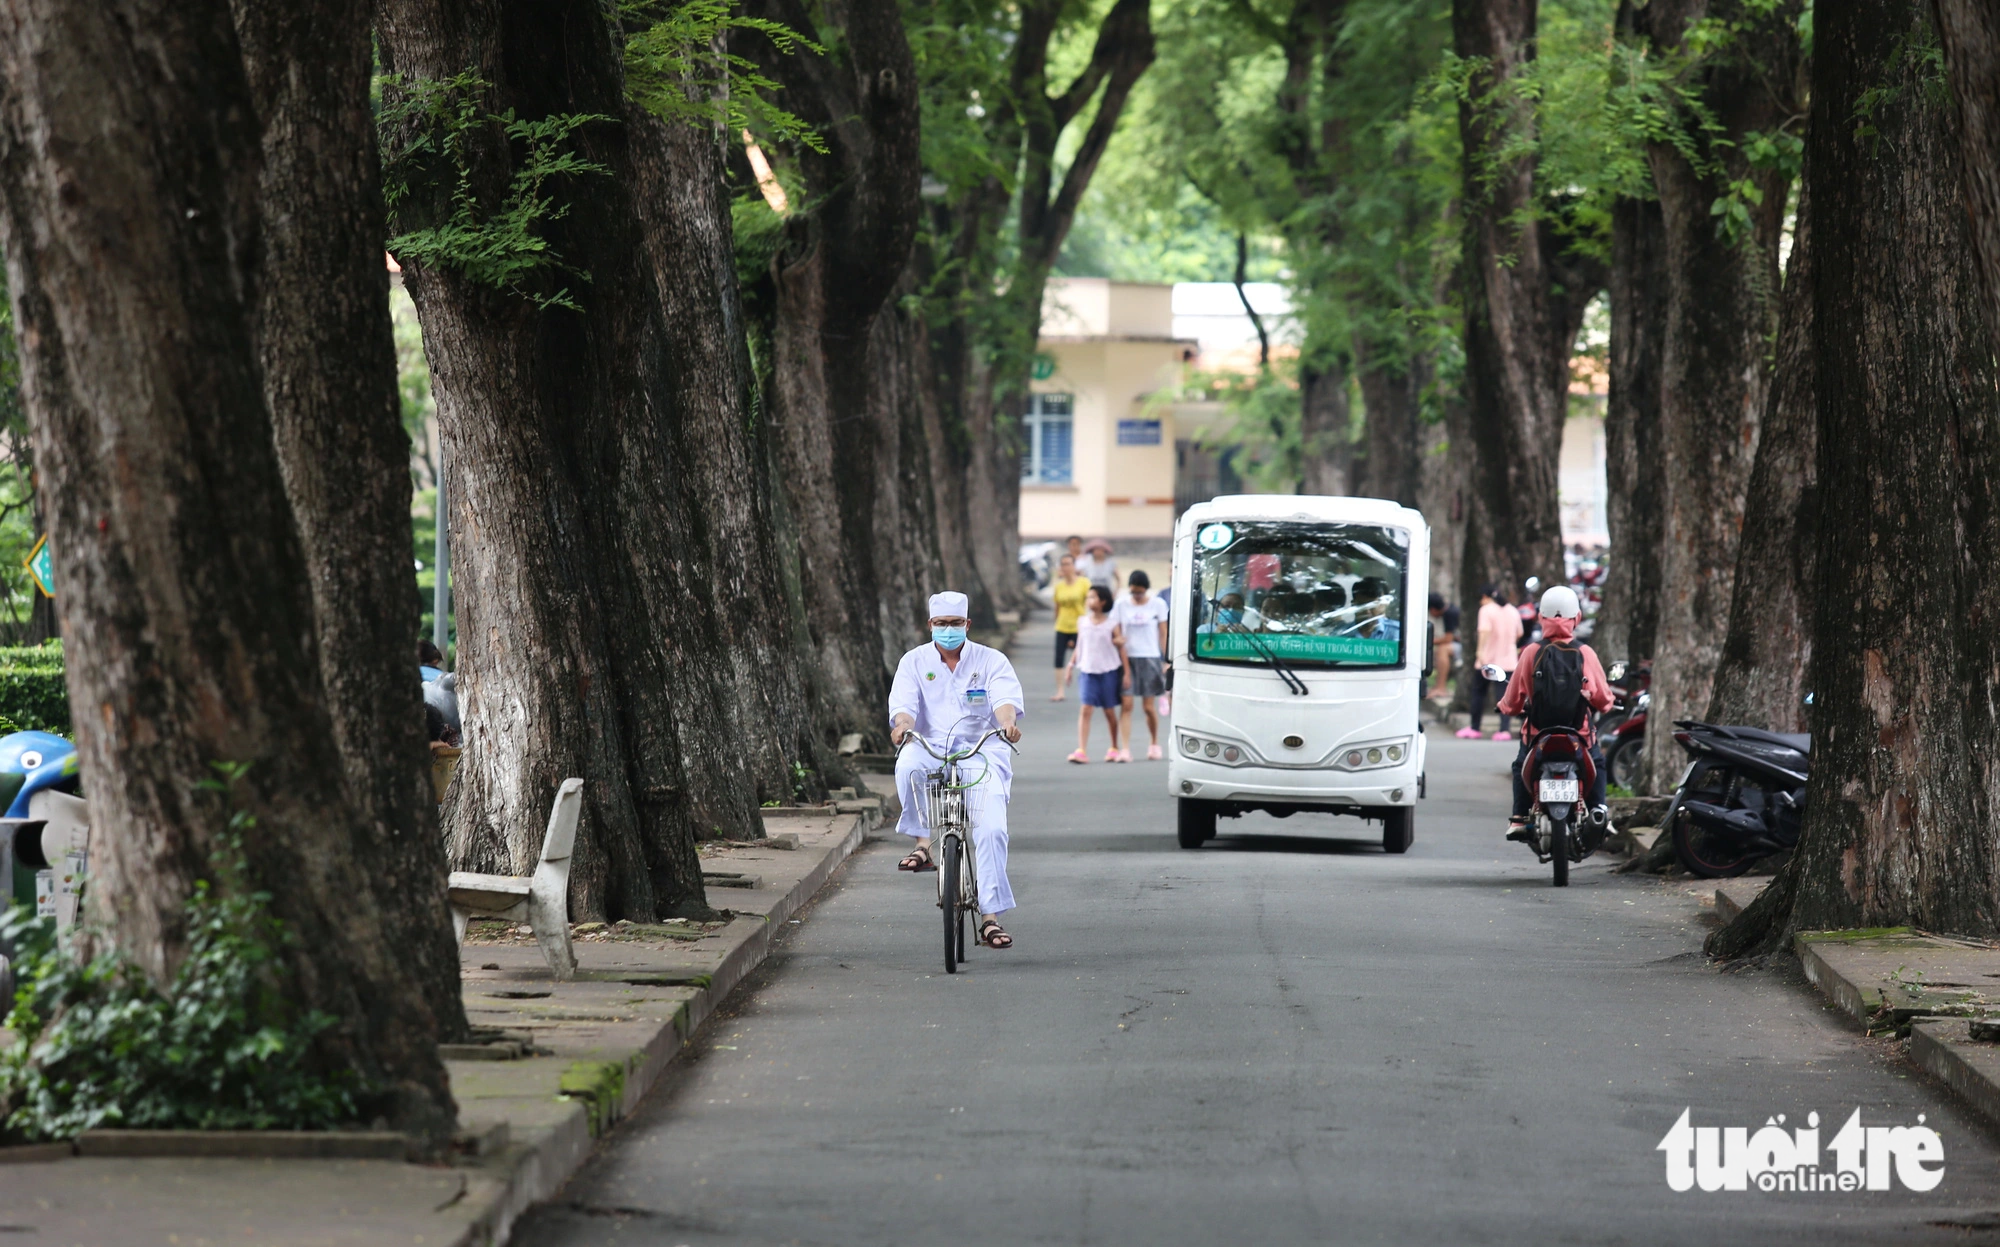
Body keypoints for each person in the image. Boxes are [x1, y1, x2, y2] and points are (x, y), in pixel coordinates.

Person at [889, 591, 1024, 950]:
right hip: (929, 743)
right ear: (930, 625)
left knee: (992, 829)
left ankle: (990, 918)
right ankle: (923, 844)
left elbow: (1004, 701)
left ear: (968, 625)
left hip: (980, 749)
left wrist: (1007, 723)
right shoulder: (913, 661)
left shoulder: (991, 660)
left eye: (955, 623)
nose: (948, 630)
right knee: (907, 768)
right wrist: (902, 726)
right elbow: (904, 706)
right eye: (941, 624)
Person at [1496, 585, 1614, 843]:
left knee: (1520, 766)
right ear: (1578, 618)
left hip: (1538, 735)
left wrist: (1505, 708)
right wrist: (1604, 703)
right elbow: (1603, 698)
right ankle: (1600, 810)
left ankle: (1518, 818)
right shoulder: (1585, 653)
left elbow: (1514, 698)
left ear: (1541, 618)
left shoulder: (1530, 652)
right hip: (1579, 735)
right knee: (1598, 762)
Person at [1113, 570, 1170, 760]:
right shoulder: (1121, 604)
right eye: (1133, 592)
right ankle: (1125, 748)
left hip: (1149, 656)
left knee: (1148, 706)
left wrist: (1166, 659)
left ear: (1145, 590)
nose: (1136, 596)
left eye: (1140, 592)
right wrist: (1118, 642)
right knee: (1127, 704)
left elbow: (1163, 633)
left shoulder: (1158, 605)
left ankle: (1154, 743)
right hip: (1128, 658)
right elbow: (1116, 630)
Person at [1067, 584, 1126, 763]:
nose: (1089, 601)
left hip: (1108, 671)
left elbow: (1121, 649)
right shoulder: (1082, 622)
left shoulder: (1112, 624)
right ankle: (1081, 750)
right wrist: (1071, 664)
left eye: (1093, 597)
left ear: (1103, 601)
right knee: (1086, 708)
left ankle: (1114, 746)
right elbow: (1080, 646)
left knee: (1109, 711)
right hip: (1087, 670)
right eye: (1088, 597)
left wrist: (1127, 674)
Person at [1458, 583, 1522, 740]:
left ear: (1485, 597)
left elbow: (1484, 631)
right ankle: (1504, 730)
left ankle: (1475, 727)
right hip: (1508, 660)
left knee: (1479, 693)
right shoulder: (1512, 610)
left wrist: (1480, 652)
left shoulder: (1486, 610)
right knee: (1504, 697)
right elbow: (1519, 633)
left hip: (1488, 660)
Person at [1050, 553, 1090, 701]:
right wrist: (1055, 622)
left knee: (1083, 658)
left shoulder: (1084, 583)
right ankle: (1060, 690)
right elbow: (1057, 606)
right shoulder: (1059, 586)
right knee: (1059, 659)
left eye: (1068, 564)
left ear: (1074, 566)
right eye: (1063, 564)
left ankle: (1085, 689)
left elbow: (1090, 603)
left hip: (1080, 626)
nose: (1065, 567)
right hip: (1062, 625)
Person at [1427, 594, 1456, 699]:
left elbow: (1448, 639)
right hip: (1457, 644)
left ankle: (1441, 688)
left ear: (1433, 609)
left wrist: (1429, 641)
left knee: (1442, 650)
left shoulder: (1449, 613)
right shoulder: (1449, 610)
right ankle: (1437, 686)